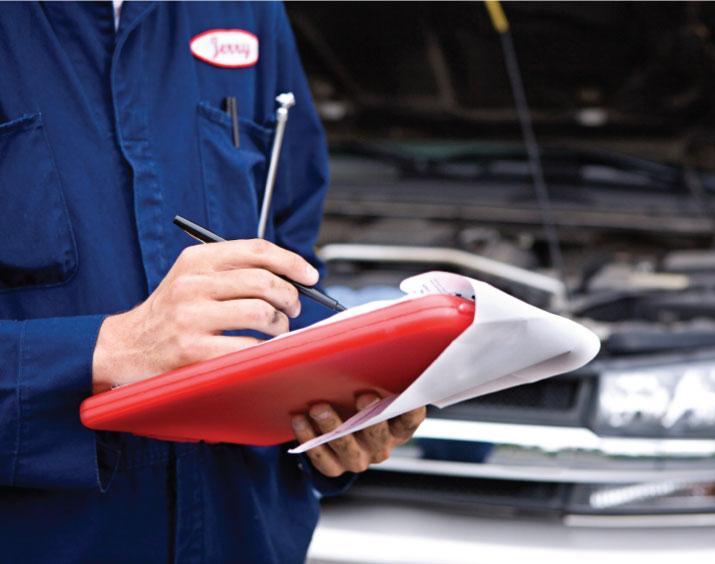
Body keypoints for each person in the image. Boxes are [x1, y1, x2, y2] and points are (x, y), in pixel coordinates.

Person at [0, 2, 425, 562]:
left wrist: (346, 401)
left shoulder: (247, 11)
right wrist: (108, 350)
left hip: (247, 534)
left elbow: (291, 266)